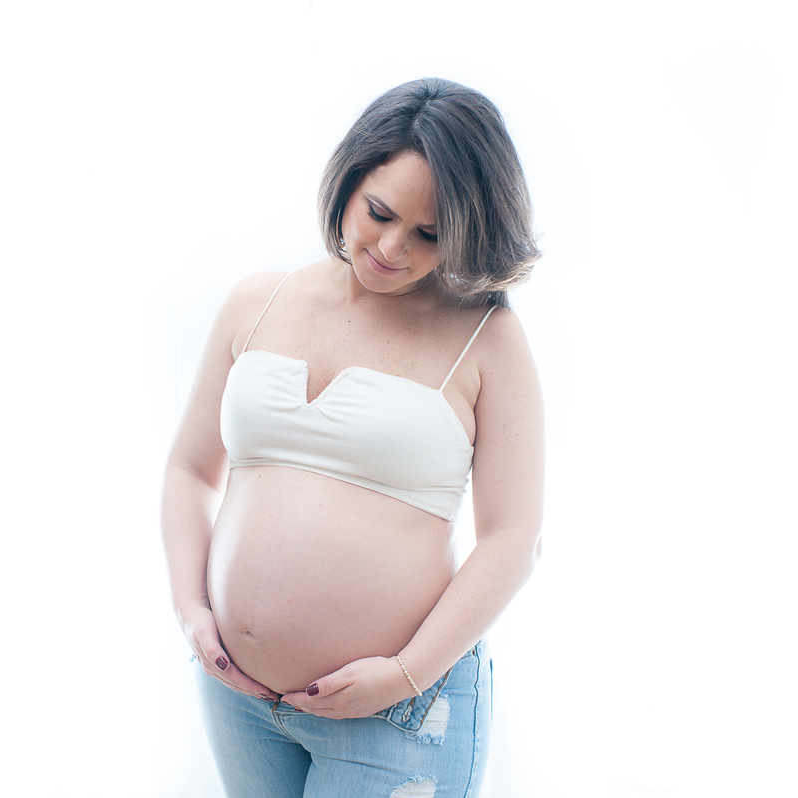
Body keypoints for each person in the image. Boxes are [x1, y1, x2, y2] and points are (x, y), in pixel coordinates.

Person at [161, 77, 545, 798]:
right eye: (380, 212)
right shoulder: (257, 299)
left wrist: (405, 674)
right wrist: (193, 613)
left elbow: (513, 538)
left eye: (429, 235)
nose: (393, 248)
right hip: (238, 700)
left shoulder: (488, 340)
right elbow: (189, 469)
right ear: (350, 177)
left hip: (400, 713)